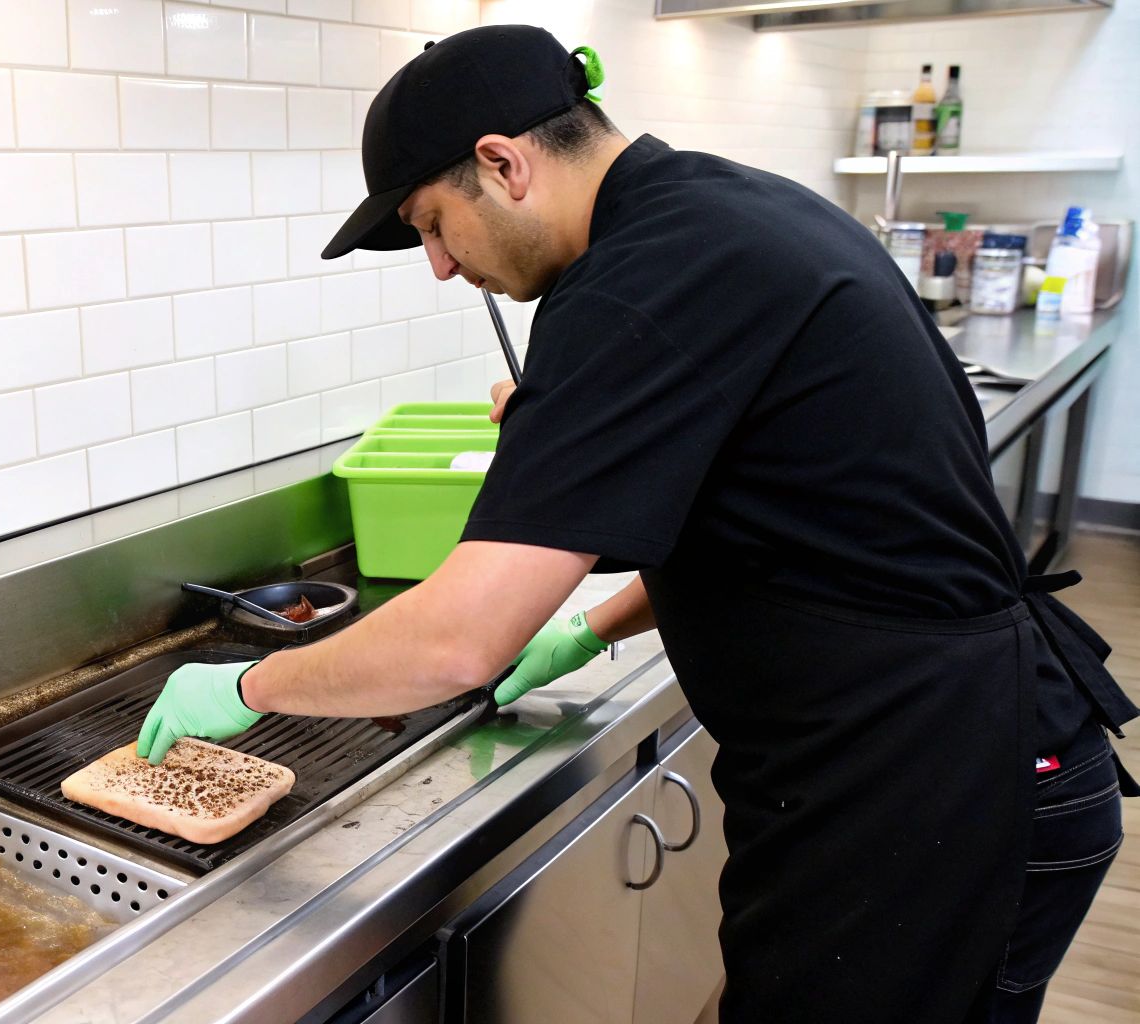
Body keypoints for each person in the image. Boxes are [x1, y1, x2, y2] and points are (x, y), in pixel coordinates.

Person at [133, 24, 1137, 1024]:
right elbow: (774, 515)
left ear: (501, 164)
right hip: (914, 766)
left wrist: (249, 684)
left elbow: (454, 643)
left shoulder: (638, 284)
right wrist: (589, 625)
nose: (437, 264)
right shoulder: (708, 217)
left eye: (432, 223)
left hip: (932, 790)